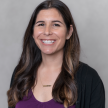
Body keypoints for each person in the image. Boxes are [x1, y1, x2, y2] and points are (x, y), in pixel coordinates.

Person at [7, 0, 105, 108]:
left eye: (56, 24)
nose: (47, 31)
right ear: (32, 32)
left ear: (69, 32)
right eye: (41, 24)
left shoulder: (89, 78)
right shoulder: (20, 73)